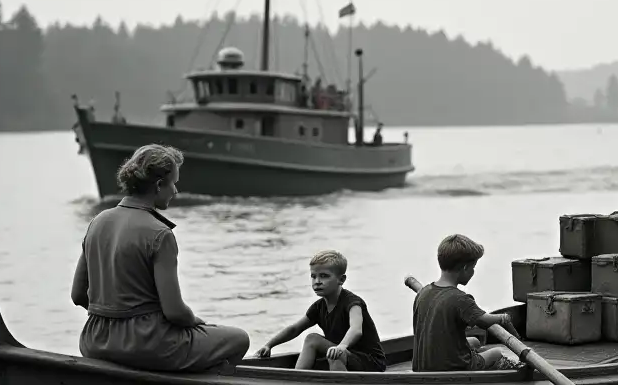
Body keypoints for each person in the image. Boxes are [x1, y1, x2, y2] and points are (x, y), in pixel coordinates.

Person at [70, 144, 251, 372]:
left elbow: (78, 295)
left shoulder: (97, 222)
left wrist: (113, 318)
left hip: (94, 341)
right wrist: (194, 321)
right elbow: (175, 312)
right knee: (239, 338)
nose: (175, 191)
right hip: (146, 345)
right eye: (173, 183)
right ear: (158, 185)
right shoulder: (160, 234)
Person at [255, 250, 386, 372]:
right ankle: (297, 380)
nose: (317, 282)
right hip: (343, 355)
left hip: (370, 363)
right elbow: (295, 329)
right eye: (313, 276)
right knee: (312, 339)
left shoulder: (353, 303)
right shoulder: (318, 307)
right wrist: (269, 345)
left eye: (324, 276)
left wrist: (341, 346)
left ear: (341, 280)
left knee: (334, 354)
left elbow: (356, 330)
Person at [412, 234, 522, 372]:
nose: (473, 272)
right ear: (464, 268)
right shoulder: (460, 299)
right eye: (473, 267)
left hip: (422, 366)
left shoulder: (423, 293)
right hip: (452, 367)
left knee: (475, 342)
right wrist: (503, 318)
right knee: (497, 353)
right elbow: (484, 321)